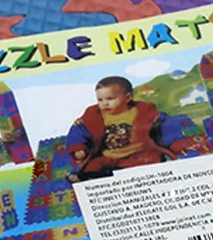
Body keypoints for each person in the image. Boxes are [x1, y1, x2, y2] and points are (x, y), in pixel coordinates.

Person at [66, 76, 197, 181]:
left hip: (139, 152)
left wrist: (177, 143)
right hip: (108, 155)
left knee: (150, 161)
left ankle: (123, 175)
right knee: (94, 165)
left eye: (110, 99)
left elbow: (166, 126)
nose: (104, 103)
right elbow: (79, 131)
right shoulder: (93, 116)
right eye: (100, 100)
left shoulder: (144, 112)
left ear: (128, 97)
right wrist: (78, 147)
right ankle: (90, 176)